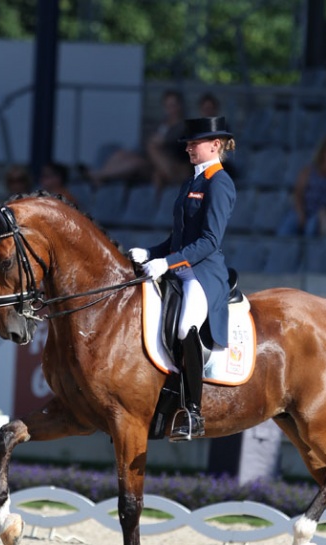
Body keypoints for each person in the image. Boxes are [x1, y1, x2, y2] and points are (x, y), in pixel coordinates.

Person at [128, 116, 236, 441]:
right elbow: (178, 236)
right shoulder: (191, 182)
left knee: (184, 326)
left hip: (202, 275)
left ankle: (193, 413)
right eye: (188, 143)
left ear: (215, 145)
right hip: (179, 269)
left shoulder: (220, 183)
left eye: (194, 143)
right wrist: (151, 253)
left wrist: (167, 262)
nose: (188, 148)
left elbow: (209, 241)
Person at [87, 89, 191, 190]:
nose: (171, 109)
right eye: (168, 106)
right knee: (120, 154)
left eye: (173, 105)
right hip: (146, 155)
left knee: (135, 162)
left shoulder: (183, 126)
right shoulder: (161, 124)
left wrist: (161, 142)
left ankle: (99, 176)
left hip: (161, 162)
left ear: (180, 106)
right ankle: (99, 176)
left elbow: (175, 146)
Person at [276, 134, 326, 236]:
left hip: (323, 214)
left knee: (312, 228)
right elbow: (298, 193)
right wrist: (301, 213)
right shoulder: (309, 171)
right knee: (286, 229)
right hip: (305, 210)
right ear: (323, 153)